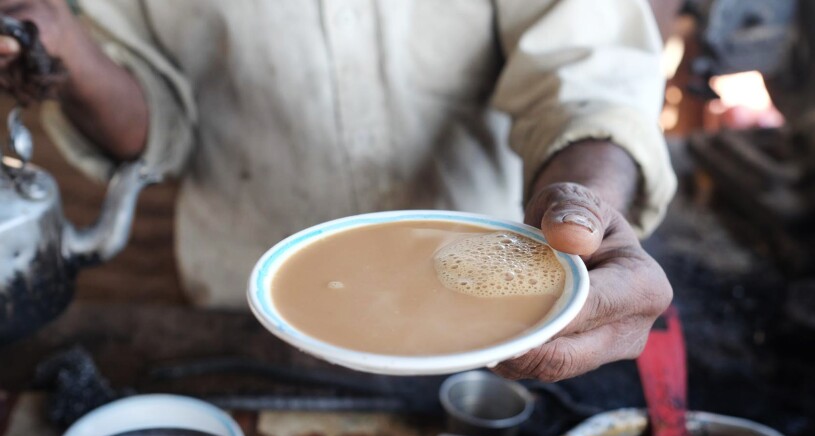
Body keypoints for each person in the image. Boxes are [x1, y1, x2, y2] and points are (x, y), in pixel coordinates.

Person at [0, 0, 675, 381]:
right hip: (249, 307)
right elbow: (152, 130)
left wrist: (585, 198)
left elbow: (589, 77)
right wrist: (72, 56)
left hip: (489, 327)